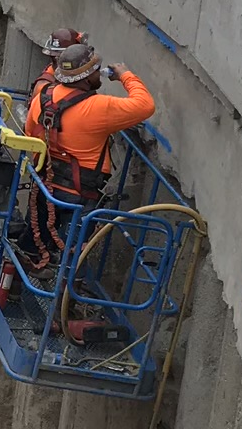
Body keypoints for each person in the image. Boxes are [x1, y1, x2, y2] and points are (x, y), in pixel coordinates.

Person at [20, 42, 155, 269]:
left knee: (34, 240)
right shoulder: (98, 107)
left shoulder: (43, 97)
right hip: (80, 194)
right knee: (74, 256)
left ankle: (19, 275)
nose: (98, 72)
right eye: (95, 70)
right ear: (85, 77)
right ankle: (67, 294)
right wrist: (126, 76)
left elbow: (31, 133)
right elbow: (145, 105)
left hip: (45, 186)